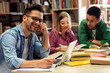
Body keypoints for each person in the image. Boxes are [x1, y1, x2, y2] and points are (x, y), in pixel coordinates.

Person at [0, 4, 56, 73]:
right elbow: (11, 61)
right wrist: (38, 63)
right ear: (24, 18)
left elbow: (43, 54)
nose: (38, 23)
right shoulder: (9, 35)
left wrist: (46, 34)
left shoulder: (32, 36)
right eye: (34, 19)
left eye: (40, 20)